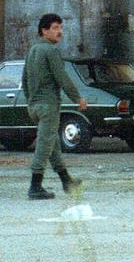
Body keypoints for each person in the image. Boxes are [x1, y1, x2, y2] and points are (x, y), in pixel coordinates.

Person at [23, 13, 88, 200]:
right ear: (44, 31)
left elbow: (24, 79)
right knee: (44, 145)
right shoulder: (50, 51)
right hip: (48, 106)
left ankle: (67, 181)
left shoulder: (32, 50)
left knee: (53, 144)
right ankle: (35, 187)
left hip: (35, 106)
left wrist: (31, 101)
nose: (59, 32)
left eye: (60, 28)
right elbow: (62, 78)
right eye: (55, 28)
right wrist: (78, 98)